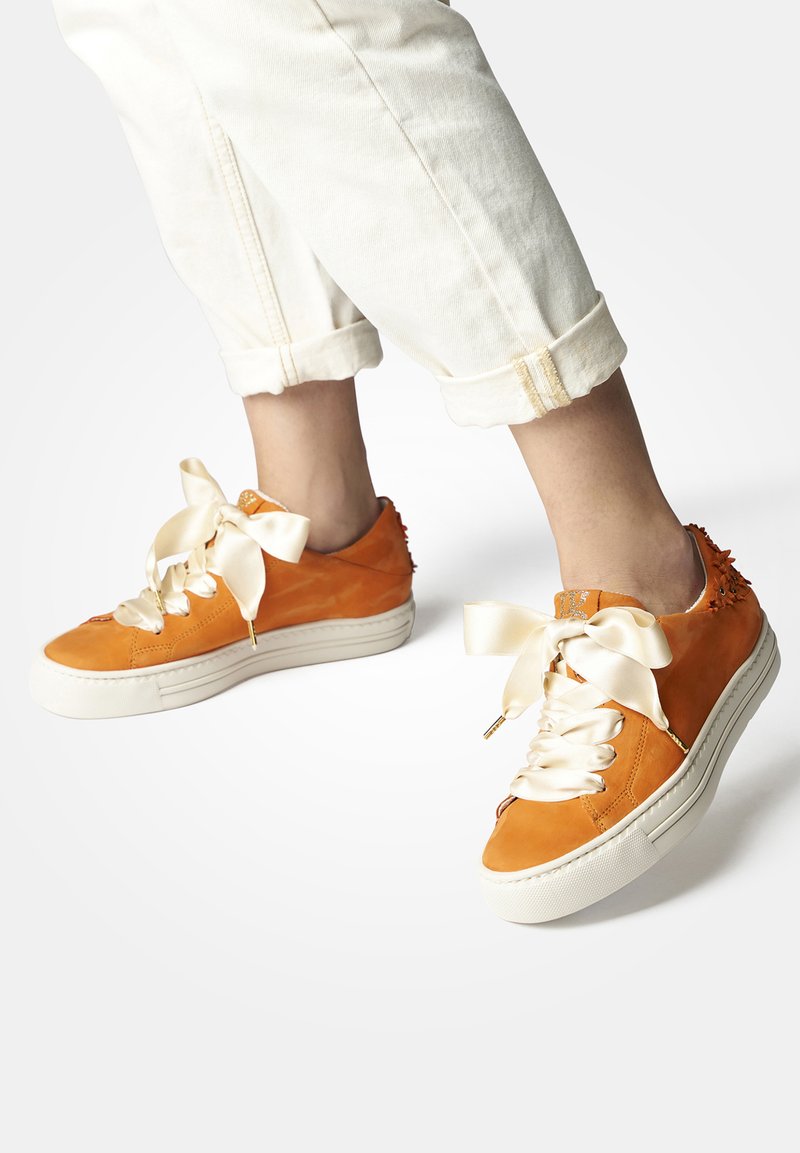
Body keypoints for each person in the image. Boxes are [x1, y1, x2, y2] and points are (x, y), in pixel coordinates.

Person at [32, 0, 780, 923]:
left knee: (316, 20)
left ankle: (651, 579)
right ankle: (315, 527)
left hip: (663, 595)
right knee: (148, 28)